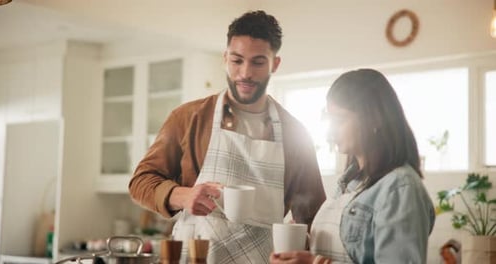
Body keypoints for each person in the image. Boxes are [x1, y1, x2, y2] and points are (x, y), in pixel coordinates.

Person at [129, 10, 326, 263]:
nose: (245, 73)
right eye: (237, 61)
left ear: (275, 64)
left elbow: (313, 217)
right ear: (225, 58)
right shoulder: (189, 117)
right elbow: (140, 182)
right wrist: (183, 195)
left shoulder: (295, 134)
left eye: (257, 62)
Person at [270, 69, 436, 264]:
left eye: (339, 120)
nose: (330, 133)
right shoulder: (349, 184)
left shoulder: (400, 187)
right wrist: (307, 245)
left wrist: (315, 263)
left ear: (374, 119)